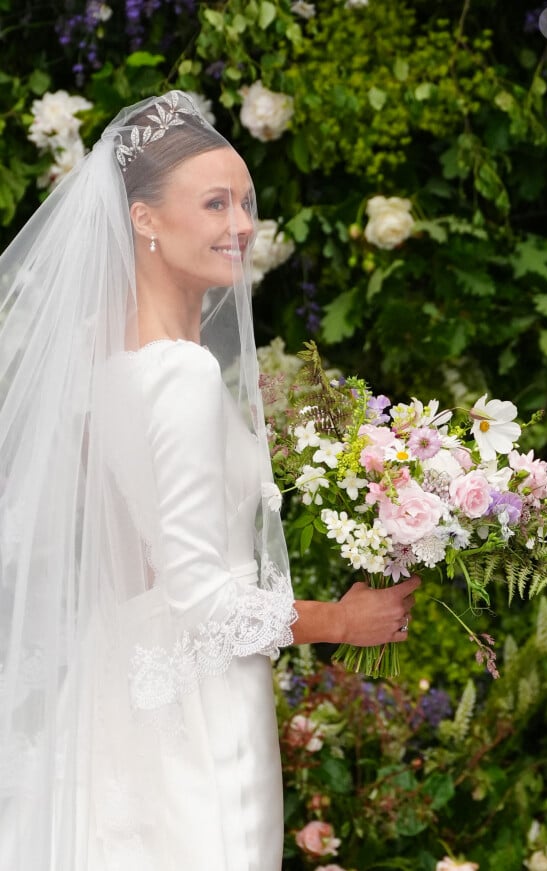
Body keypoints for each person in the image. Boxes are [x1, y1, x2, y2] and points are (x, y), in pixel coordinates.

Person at [0, 91, 420, 870]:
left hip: (116, 696)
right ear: (145, 219)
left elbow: (137, 563)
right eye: (216, 202)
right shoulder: (185, 376)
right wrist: (342, 619)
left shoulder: (102, 365)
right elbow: (203, 599)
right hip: (196, 720)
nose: (240, 224)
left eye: (246, 202)